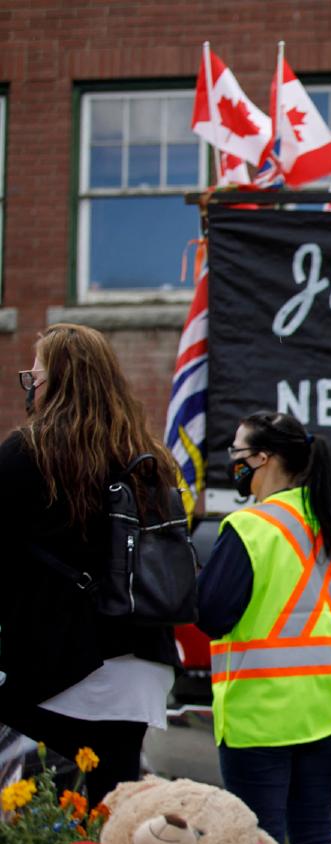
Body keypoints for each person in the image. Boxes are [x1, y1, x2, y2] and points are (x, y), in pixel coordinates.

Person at [0, 324, 179, 803]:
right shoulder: (148, 458)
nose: (31, 386)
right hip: (142, 664)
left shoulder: (28, 454)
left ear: (57, 381)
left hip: (62, 666)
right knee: (111, 809)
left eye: (34, 376)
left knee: (51, 814)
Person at [197, 411, 331, 844]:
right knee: (314, 840)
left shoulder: (249, 527)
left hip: (261, 714)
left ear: (262, 458)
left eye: (237, 454)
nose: (233, 463)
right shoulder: (330, 531)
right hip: (326, 710)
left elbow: (211, 614)